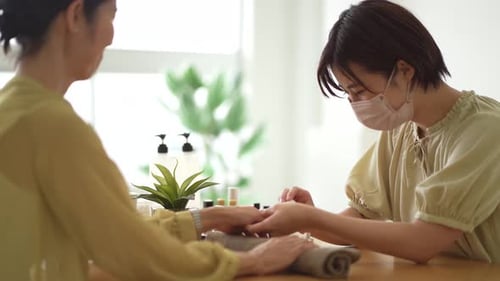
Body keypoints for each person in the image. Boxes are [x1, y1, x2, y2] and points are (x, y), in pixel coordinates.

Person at [0, 1, 314, 280]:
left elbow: (112, 227)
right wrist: (249, 262)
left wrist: (208, 217)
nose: (111, 36)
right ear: (76, 14)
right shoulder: (52, 126)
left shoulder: (13, 112)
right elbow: (130, 249)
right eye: (112, 15)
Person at [247, 0, 500, 264]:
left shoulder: (486, 130)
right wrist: (309, 217)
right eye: (348, 94)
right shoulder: (401, 129)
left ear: (404, 70)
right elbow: (361, 218)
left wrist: (313, 219)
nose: (356, 103)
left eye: (358, 90)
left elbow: (424, 241)